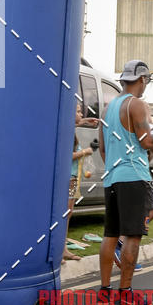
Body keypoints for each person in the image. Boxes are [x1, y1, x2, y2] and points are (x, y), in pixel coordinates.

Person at [98, 60, 153, 305]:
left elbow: (102, 148)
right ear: (142, 79)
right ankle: (125, 294)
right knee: (133, 235)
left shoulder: (108, 108)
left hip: (112, 177)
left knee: (110, 234)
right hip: (134, 177)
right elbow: (146, 142)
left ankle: (104, 293)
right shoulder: (138, 105)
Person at [62, 102, 99, 263]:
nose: (81, 115)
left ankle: (63, 249)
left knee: (67, 215)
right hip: (68, 178)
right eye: (78, 112)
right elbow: (67, 156)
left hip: (72, 178)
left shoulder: (69, 129)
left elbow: (76, 122)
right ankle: (60, 250)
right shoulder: (67, 133)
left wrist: (84, 122)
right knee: (65, 215)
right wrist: (86, 151)